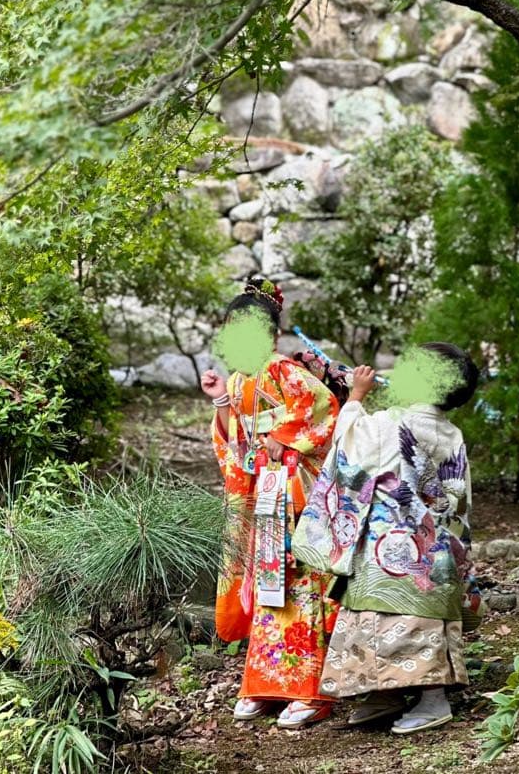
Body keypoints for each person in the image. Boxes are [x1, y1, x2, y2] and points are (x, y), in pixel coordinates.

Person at [292, 342, 478, 733]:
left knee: (400, 619)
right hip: (436, 549)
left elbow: (349, 446)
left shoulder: (392, 424)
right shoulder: (451, 432)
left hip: (390, 550)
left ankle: (434, 699)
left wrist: (355, 397)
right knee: (410, 618)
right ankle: (386, 693)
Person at [200, 277, 340, 729]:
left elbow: (323, 407)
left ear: (271, 334)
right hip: (264, 492)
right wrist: (222, 401)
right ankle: (264, 683)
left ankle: (312, 688)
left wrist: (284, 437)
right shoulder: (239, 379)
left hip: (295, 491)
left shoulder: (283, 370)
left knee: (302, 583)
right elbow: (235, 445)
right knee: (269, 585)